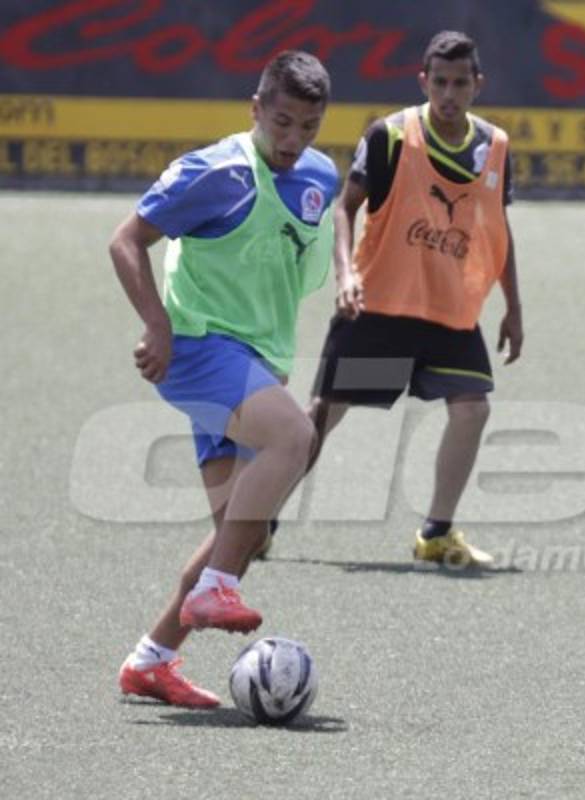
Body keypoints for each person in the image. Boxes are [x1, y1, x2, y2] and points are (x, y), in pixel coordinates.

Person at [110, 50, 337, 707]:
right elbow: (126, 240)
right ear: (256, 109)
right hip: (198, 350)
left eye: (309, 127)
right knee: (295, 438)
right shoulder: (214, 173)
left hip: (256, 360)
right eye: (283, 123)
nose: (293, 142)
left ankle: (150, 660)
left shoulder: (318, 176)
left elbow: (319, 233)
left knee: (242, 530)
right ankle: (214, 586)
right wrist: (156, 324)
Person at [300, 30, 522, 568]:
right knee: (327, 413)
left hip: (450, 309)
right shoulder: (391, 136)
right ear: (423, 81)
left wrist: (514, 305)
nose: (450, 93)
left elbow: (498, 228)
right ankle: (257, 518)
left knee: (472, 408)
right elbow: (344, 208)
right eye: (440, 82)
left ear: (477, 85)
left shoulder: (495, 146)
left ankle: (436, 533)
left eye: (460, 83)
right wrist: (346, 274)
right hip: (380, 304)